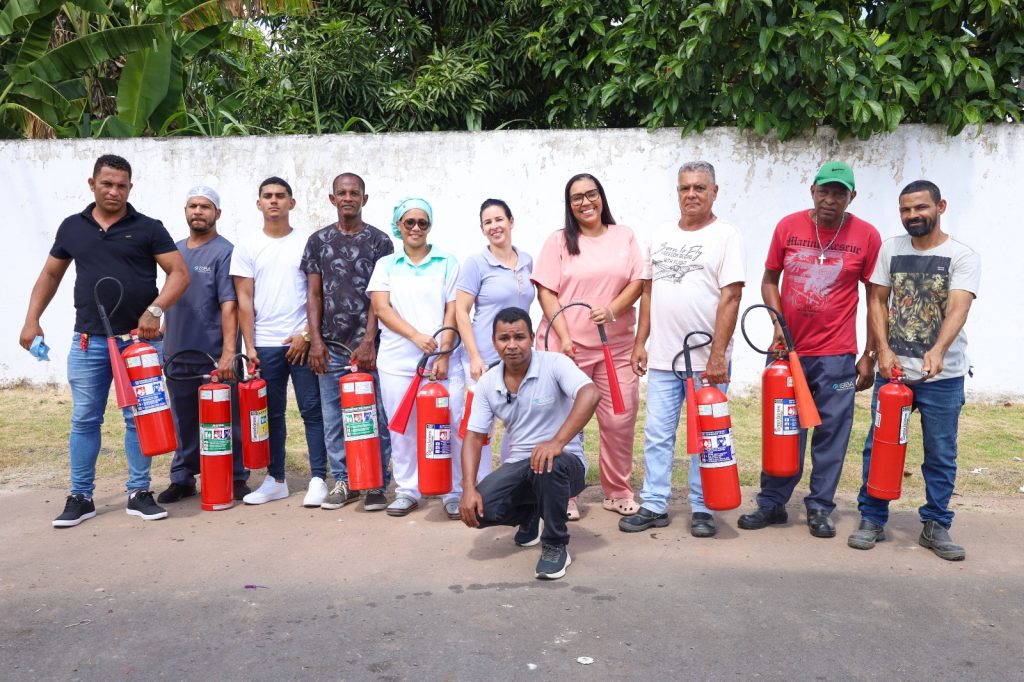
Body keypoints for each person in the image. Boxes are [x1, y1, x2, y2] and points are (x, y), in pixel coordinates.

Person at [19, 154, 190, 527]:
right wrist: (32, 320)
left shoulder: (148, 228)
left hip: (138, 344)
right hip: (88, 342)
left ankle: (139, 492)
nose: (114, 191)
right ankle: (80, 497)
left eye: (121, 185)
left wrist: (156, 310)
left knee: (138, 418)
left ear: (130, 188)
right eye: (107, 184)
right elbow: (50, 275)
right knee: (84, 419)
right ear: (92, 183)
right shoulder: (72, 227)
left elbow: (179, 273)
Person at [738, 161, 881, 538]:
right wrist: (777, 323)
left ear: (852, 197)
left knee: (831, 433)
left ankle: (819, 507)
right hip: (786, 353)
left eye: (839, 193)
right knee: (782, 428)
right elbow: (769, 280)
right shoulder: (788, 227)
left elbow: (875, 297)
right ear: (812, 190)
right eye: (824, 191)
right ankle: (772, 503)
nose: (830, 199)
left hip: (837, 355)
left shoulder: (867, 236)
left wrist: (869, 354)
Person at [848, 180, 980, 561]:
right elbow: (876, 301)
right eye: (906, 209)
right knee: (879, 448)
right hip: (894, 375)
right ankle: (872, 518)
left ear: (941, 206)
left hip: (943, 377)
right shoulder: (891, 249)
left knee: (940, 453)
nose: (912, 215)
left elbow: (959, 308)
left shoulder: (961, 256)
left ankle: (936, 524)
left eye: (921, 207)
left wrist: (938, 350)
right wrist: (881, 351)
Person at [619, 161, 745, 538]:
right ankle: (654, 503)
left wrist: (718, 355)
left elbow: (731, 296)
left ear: (714, 192)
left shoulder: (726, 235)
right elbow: (648, 292)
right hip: (663, 358)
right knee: (657, 434)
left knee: (705, 437)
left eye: (699, 188)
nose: (691, 194)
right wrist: (640, 342)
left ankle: (703, 507)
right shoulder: (660, 234)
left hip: (708, 362)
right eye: (684, 188)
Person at [532, 173, 643, 520]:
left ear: (601, 196)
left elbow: (638, 282)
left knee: (620, 418)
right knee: (566, 424)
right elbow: (546, 291)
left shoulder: (624, 236)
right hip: (566, 348)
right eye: (576, 197)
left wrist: (611, 310)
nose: (585, 202)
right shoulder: (559, 241)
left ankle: (618, 490)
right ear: (570, 205)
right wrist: (564, 336)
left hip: (616, 348)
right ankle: (564, 492)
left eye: (591, 194)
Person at [460, 307, 600, 580]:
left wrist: (557, 442)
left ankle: (555, 545)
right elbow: (474, 436)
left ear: (532, 338)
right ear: (494, 342)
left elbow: (590, 393)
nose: (512, 345)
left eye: (519, 337)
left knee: (548, 463)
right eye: (504, 338)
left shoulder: (555, 363)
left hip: (565, 463)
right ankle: (530, 515)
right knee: (478, 510)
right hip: (520, 462)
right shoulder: (488, 382)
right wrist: (467, 488)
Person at [231, 177, 327, 506]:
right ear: (259, 203)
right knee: (271, 414)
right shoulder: (247, 246)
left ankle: (318, 478)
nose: (274, 201)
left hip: (302, 343)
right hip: (265, 345)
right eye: (268, 196)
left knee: (312, 411)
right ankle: (276, 479)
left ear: (291, 203)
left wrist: (307, 334)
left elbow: (318, 293)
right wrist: (250, 346)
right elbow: (244, 299)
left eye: (280, 196)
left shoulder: (307, 242)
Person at [368, 198, 464, 519]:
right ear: (399, 226)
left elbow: (453, 309)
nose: (416, 228)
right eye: (409, 222)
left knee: (448, 424)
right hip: (397, 361)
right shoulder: (386, 265)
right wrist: (416, 337)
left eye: (422, 222)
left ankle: (453, 490)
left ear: (429, 226)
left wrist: (444, 352)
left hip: (442, 361)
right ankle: (408, 490)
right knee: (403, 427)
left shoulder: (447, 261)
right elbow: (381, 308)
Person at [303, 172, 394, 512]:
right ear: (332, 198)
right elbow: (314, 294)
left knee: (375, 418)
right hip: (330, 348)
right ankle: (343, 481)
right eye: (341, 193)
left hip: (371, 348)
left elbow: (379, 295)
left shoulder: (380, 242)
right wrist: (315, 341)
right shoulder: (318, 241)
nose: (348, 198)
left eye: (354, 193)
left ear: (364, 199)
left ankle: (376, 483)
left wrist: (369, 341)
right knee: (334, 419)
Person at [158, 186, 250, 504]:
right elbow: (170, 293)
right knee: (183, 419)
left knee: (226, 418)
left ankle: (235, 476)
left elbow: (229, 305)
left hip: (213, 355)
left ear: (217, 213)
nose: (198, 211)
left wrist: (229, 353)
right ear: (186, 211)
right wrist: (163, 330)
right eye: (193, 206)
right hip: (177, 350)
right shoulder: (174, 250)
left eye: (205, 206)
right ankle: (183, 477)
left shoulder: (225, 252)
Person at [455, 198, 535, 476]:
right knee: (480, 427)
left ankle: (513, 481)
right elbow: (461, 312)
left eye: (499, 219)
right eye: (487, 222)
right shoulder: (475, 263)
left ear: (511, 222)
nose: (494, 226)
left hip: (520, 358)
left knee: (520, 424)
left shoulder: (527, 261)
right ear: (482, 229)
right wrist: (474, 356)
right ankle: (479, 486)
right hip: (485, 358)